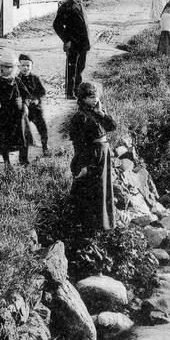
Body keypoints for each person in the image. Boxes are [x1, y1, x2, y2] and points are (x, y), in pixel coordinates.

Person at [68, 81, 116, 231]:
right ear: (82, 98)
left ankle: (105, 225)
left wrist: (101, 113)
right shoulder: (79, 117)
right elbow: (78, 144)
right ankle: (91, 226)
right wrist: (82, 166)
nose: (94, 99)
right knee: (92, 189)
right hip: (92, 155)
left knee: (104, 188)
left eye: (96, 95)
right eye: (90, 96)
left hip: (104, 153)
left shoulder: (98, 111)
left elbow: (112, 127)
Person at [53, 0, 91, 99]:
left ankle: (77, 91)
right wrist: (66, 40)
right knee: (72, 69)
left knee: (80, 68)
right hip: (73, 44)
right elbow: (57, 25)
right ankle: (70, 93)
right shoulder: (66, 7)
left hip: (82, 44)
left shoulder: (80, 6)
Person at [0, 52, 27, 167]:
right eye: (6, 67)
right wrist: (11, 84)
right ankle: (7, 162)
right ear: (1, 67)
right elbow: (5, 98)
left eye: (11, 67)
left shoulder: (17, 80)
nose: (8, 69)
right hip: (7, 113)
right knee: (5, 139)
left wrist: (26, 105)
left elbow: (25, 94)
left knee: (22, 137)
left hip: (19, 113)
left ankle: (24, 160)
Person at [17, 53, 49, 156]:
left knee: (42, 128)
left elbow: (42, 92)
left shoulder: (35, 78)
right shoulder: (16, 80)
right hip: (23, 110)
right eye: (23, 65)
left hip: (36, 109)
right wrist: (23, 101)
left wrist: (36, 99)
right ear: (18, 66)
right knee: (22, 132)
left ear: (32, 66)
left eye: (28, 65)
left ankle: (45, 147)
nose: (25, 68)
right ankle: (23, 156)